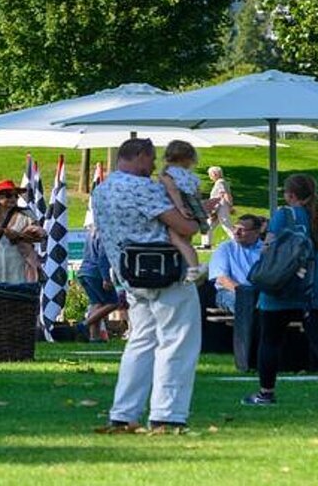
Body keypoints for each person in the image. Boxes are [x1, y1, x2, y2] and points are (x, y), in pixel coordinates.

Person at [90, 138, 202, 433]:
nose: (154, 166)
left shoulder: (101, 191)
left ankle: (124, 412)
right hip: (167, 276)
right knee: (177, 342)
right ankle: (168, 414)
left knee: (140, 343)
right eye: (152, 159)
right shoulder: (145, 188)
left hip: (130, 278)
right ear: (139, 156)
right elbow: (186, 226)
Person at [244, 174, 318, 409]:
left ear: (291, 195)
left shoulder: (283, 215)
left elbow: (269, 249)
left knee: (271, 340)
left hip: (283, 285)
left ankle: (266, 393)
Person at [158, 140, 209, 278]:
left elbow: (172, 190)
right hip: (194, 209)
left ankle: (193, 268)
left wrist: (180, 207)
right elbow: (197, 194)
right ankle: (186, 266)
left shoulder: (167, 174)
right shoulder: (192, 176)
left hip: (177, 209)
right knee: (186, 241)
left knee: (176, 239)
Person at [208, 214, 263, 312]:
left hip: (260, 293)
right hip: (230, 292)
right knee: (244, 303)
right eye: (234, 228)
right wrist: (246, 293)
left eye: (242, 229)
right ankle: (248, 327)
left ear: (256, 232)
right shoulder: (226, 248)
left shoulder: (266, 250)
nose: (236, 232)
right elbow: (222, 279)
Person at [76, 225, 122, 342]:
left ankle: (94, 337)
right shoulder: (106, 233)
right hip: (95, 273)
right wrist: (106, 278)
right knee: (113, 303)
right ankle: (84, 325)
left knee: (97, 304)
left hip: (84, 271)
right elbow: (103, 257)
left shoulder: (92, 231)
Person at [204, 166, 235, 248]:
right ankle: (206, 244)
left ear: (215, 174)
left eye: (210, 174)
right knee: (209, 225)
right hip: (217, 207)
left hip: (221, 207)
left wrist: (230, 206)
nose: (210, 176)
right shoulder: (221, 182)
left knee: (226, 224)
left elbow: (225, 194)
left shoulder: (220, 182)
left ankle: (237, 241)